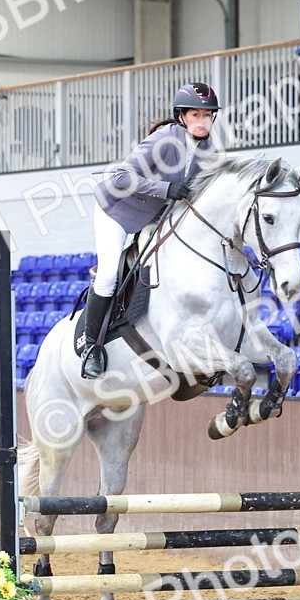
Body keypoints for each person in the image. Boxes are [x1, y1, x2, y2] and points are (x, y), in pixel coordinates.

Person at [78, 81, 221, 379]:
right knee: (107, 275)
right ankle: (91, 347)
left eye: (208, 115)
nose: (203, 121)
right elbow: (120, 177)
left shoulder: (208, 149)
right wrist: (165, 188)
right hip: (117, 211)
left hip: (153, 217)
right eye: (196, 114)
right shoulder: (164, 139)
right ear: (182, 116)